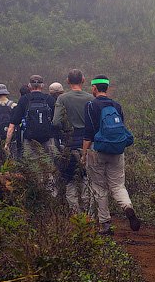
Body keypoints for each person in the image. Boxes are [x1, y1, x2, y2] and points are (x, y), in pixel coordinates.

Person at [83, 75, 140, 235]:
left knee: (99, 188)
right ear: (107, 88)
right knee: (118, 186)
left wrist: (84, 153)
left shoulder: (90, 106)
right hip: (116, 150)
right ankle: (128, 207)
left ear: (94, 88)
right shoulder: (117, 105)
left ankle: (106, 224)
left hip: (97, 151)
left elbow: (88, 134)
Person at [5, 75, 58, 194]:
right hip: (48, 139)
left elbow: (13, 124)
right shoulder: (49, 99)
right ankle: (51, 195)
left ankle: (36, 193)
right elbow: (57, 121)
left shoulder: (24, 100)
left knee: (33, 167)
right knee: (49, 167)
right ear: (42, 86)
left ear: (29, 86)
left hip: (29, 140)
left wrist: (7, 144)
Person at [52, 69, 94, 214]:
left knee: (69, 179)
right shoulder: (91, 98)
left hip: (70, 142)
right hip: (89, 143)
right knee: (86, 178)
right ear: (83, 80)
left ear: (68, 81)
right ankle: (88, 216)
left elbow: (56, 122)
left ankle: (76, 215)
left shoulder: (62, 99)